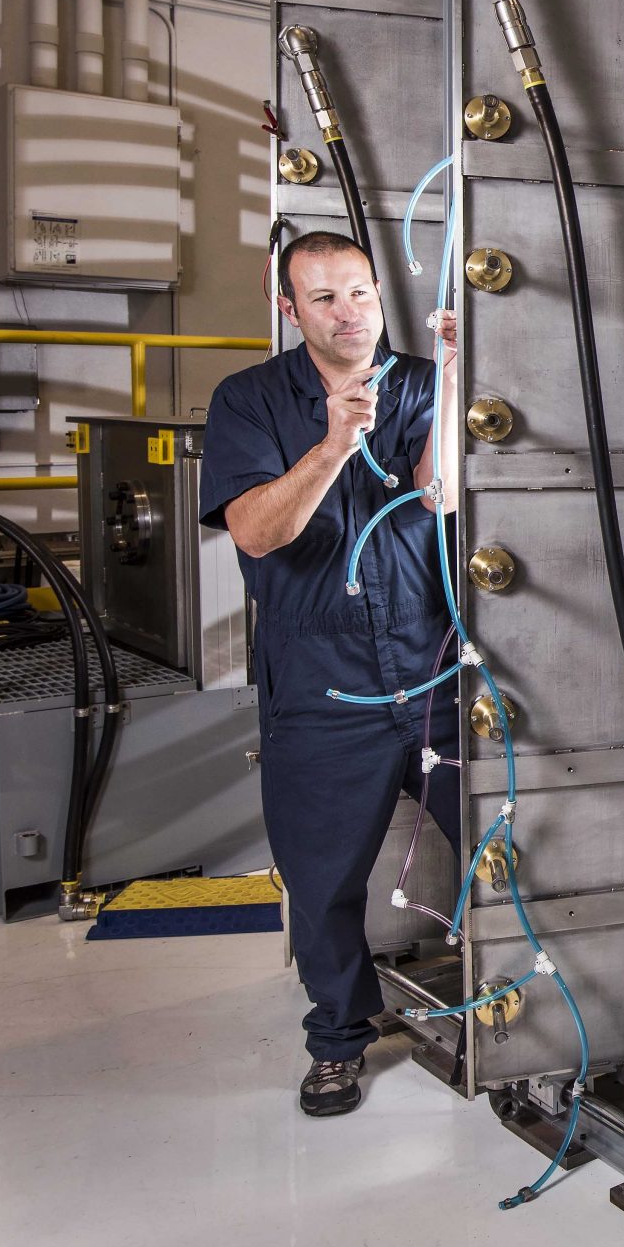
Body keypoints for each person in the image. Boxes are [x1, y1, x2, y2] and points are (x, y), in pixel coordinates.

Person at [200, 230, 459, 1117]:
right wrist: (333, 444)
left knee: (508, 844)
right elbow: (256, 531)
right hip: (321, 678)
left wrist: (457, 383)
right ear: (290, 309)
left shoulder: (421, 384)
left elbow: (441, 496)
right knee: (320, 879)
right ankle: (341, 1038)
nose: (348, 314)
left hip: (432, 669)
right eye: (323, 299)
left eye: (359, 293)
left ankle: (521, 1007)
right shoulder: (249, 400)